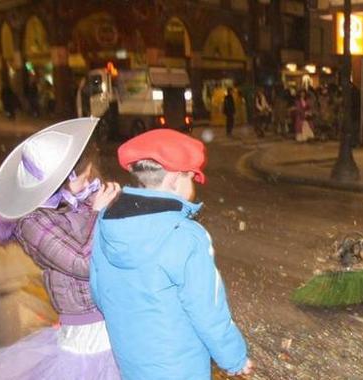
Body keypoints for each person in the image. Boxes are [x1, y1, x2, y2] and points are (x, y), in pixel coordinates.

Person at [90, 129, 253, 380]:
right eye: (191, 178)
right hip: (179, 365)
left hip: (131, 359)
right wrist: (234, 359)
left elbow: (99, 293)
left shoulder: (105, 221)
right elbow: (207, 311)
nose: (193, 186)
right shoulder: (186, 235)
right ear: (175, 179)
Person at [0, 118, 122, 380]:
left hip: (112, 316)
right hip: (87, 333)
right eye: (84, 178)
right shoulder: (32, 223)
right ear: (60, 181)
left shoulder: (76, 201)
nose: (89, 183)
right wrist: (99, 214)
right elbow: (84, 262)